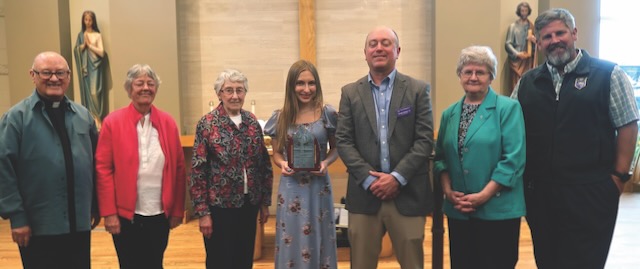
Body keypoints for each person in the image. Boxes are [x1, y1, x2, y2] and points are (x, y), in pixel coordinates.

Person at [511, 8, 639, 268]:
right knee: (547, 260)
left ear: (574, 33)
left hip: (591, 191)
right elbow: (511, 126)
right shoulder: (527, 82)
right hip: (541, 194)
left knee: (586, 261)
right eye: (547, 36)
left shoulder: (608, 75)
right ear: (539, 42)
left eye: (560, 33)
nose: (555, 40)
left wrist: (618, 178)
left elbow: (628, 125)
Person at [336, 26, 434, 269]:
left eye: (386, 43)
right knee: (360, 264)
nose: (379, 48)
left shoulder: (418, 90)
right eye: (373, 44)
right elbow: (344, 141)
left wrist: (396, 178)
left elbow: (424, 141)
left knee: (413, 263)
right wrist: (371, 181)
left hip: (407, 193)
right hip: (364, 195)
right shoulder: (350, 93)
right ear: (365, 53)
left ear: (397, 51)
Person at [0, 51, 99, 269]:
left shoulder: (83, 116)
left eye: (60, 73)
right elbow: (3, 169)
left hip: (78, 224)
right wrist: (17, 217)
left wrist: (95, 205)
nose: (54, 78)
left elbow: (95, 164)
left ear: (69, 76)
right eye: (46, 73)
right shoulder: (16, 118)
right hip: (38, 225)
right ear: (32, 75)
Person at [434, 46, 526, 269]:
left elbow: (513, 159)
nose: (473, 77)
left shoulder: (508, 108)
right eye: (467, 72)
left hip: (497, 210)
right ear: (460, 75)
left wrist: (484, 195)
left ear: (491, 76)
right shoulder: (449, 114)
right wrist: (447, 191)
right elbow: (440, 159)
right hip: (460, 211)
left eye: (480, 72)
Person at [95, 64, 186, 269]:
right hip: (126, 215)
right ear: (129, 89)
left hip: (159, 213)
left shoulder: (168, 122)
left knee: (155, 263)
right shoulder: (112, 122)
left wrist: (178, 210)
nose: (146, 88)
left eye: (150, 84)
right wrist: (109, 213)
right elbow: (103, 169)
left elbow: (179, 169)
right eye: (139, 83)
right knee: (129, 264)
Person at [190, 69, 273, 269]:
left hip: (248, 204)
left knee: (244, 259)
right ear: (219, 94)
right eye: (229, 90)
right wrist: (203, 212)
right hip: (219, 207)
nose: (235, 96)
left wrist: (264, 202)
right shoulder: (207, 124)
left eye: (239, 90)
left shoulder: (252, 122)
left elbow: (263, 164)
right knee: (220, 261)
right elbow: (197, 171)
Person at [264, 60, 339, 269]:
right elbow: (276, 153)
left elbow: (336, 148)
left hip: (318, 188)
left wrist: (325, 162)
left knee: (320, 234)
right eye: (300, 83)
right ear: (291, 86)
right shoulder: (281, 117)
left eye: (311, 83)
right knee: (291, 236)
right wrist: (283, 164)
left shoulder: (328, 114)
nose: (306, 89)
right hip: (291, 189)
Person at [74, 10, 107, 125]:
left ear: (93, 21)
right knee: (88, 95)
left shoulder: (97, 35)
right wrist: (83, 46)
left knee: (95, 94)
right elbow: (77, 50)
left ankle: (98, 119)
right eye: (85, 19)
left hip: (95, 68)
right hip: (85, 69)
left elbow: (102, 53)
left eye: (90, 20)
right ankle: (91, 119)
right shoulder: (81, 35)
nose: (88, 22)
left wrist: (90, 46)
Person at [505, 2, 537, 95]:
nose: (524, 13)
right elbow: (508, 44)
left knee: (527, 81)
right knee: (516, 83)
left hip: (528, 60)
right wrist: (517, 53)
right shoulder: (513, 27)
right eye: (522, 11)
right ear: (519, 12)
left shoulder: (531, 26)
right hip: (517, 60)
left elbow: (538, 45)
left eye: (526, 11)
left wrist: (534, 41)